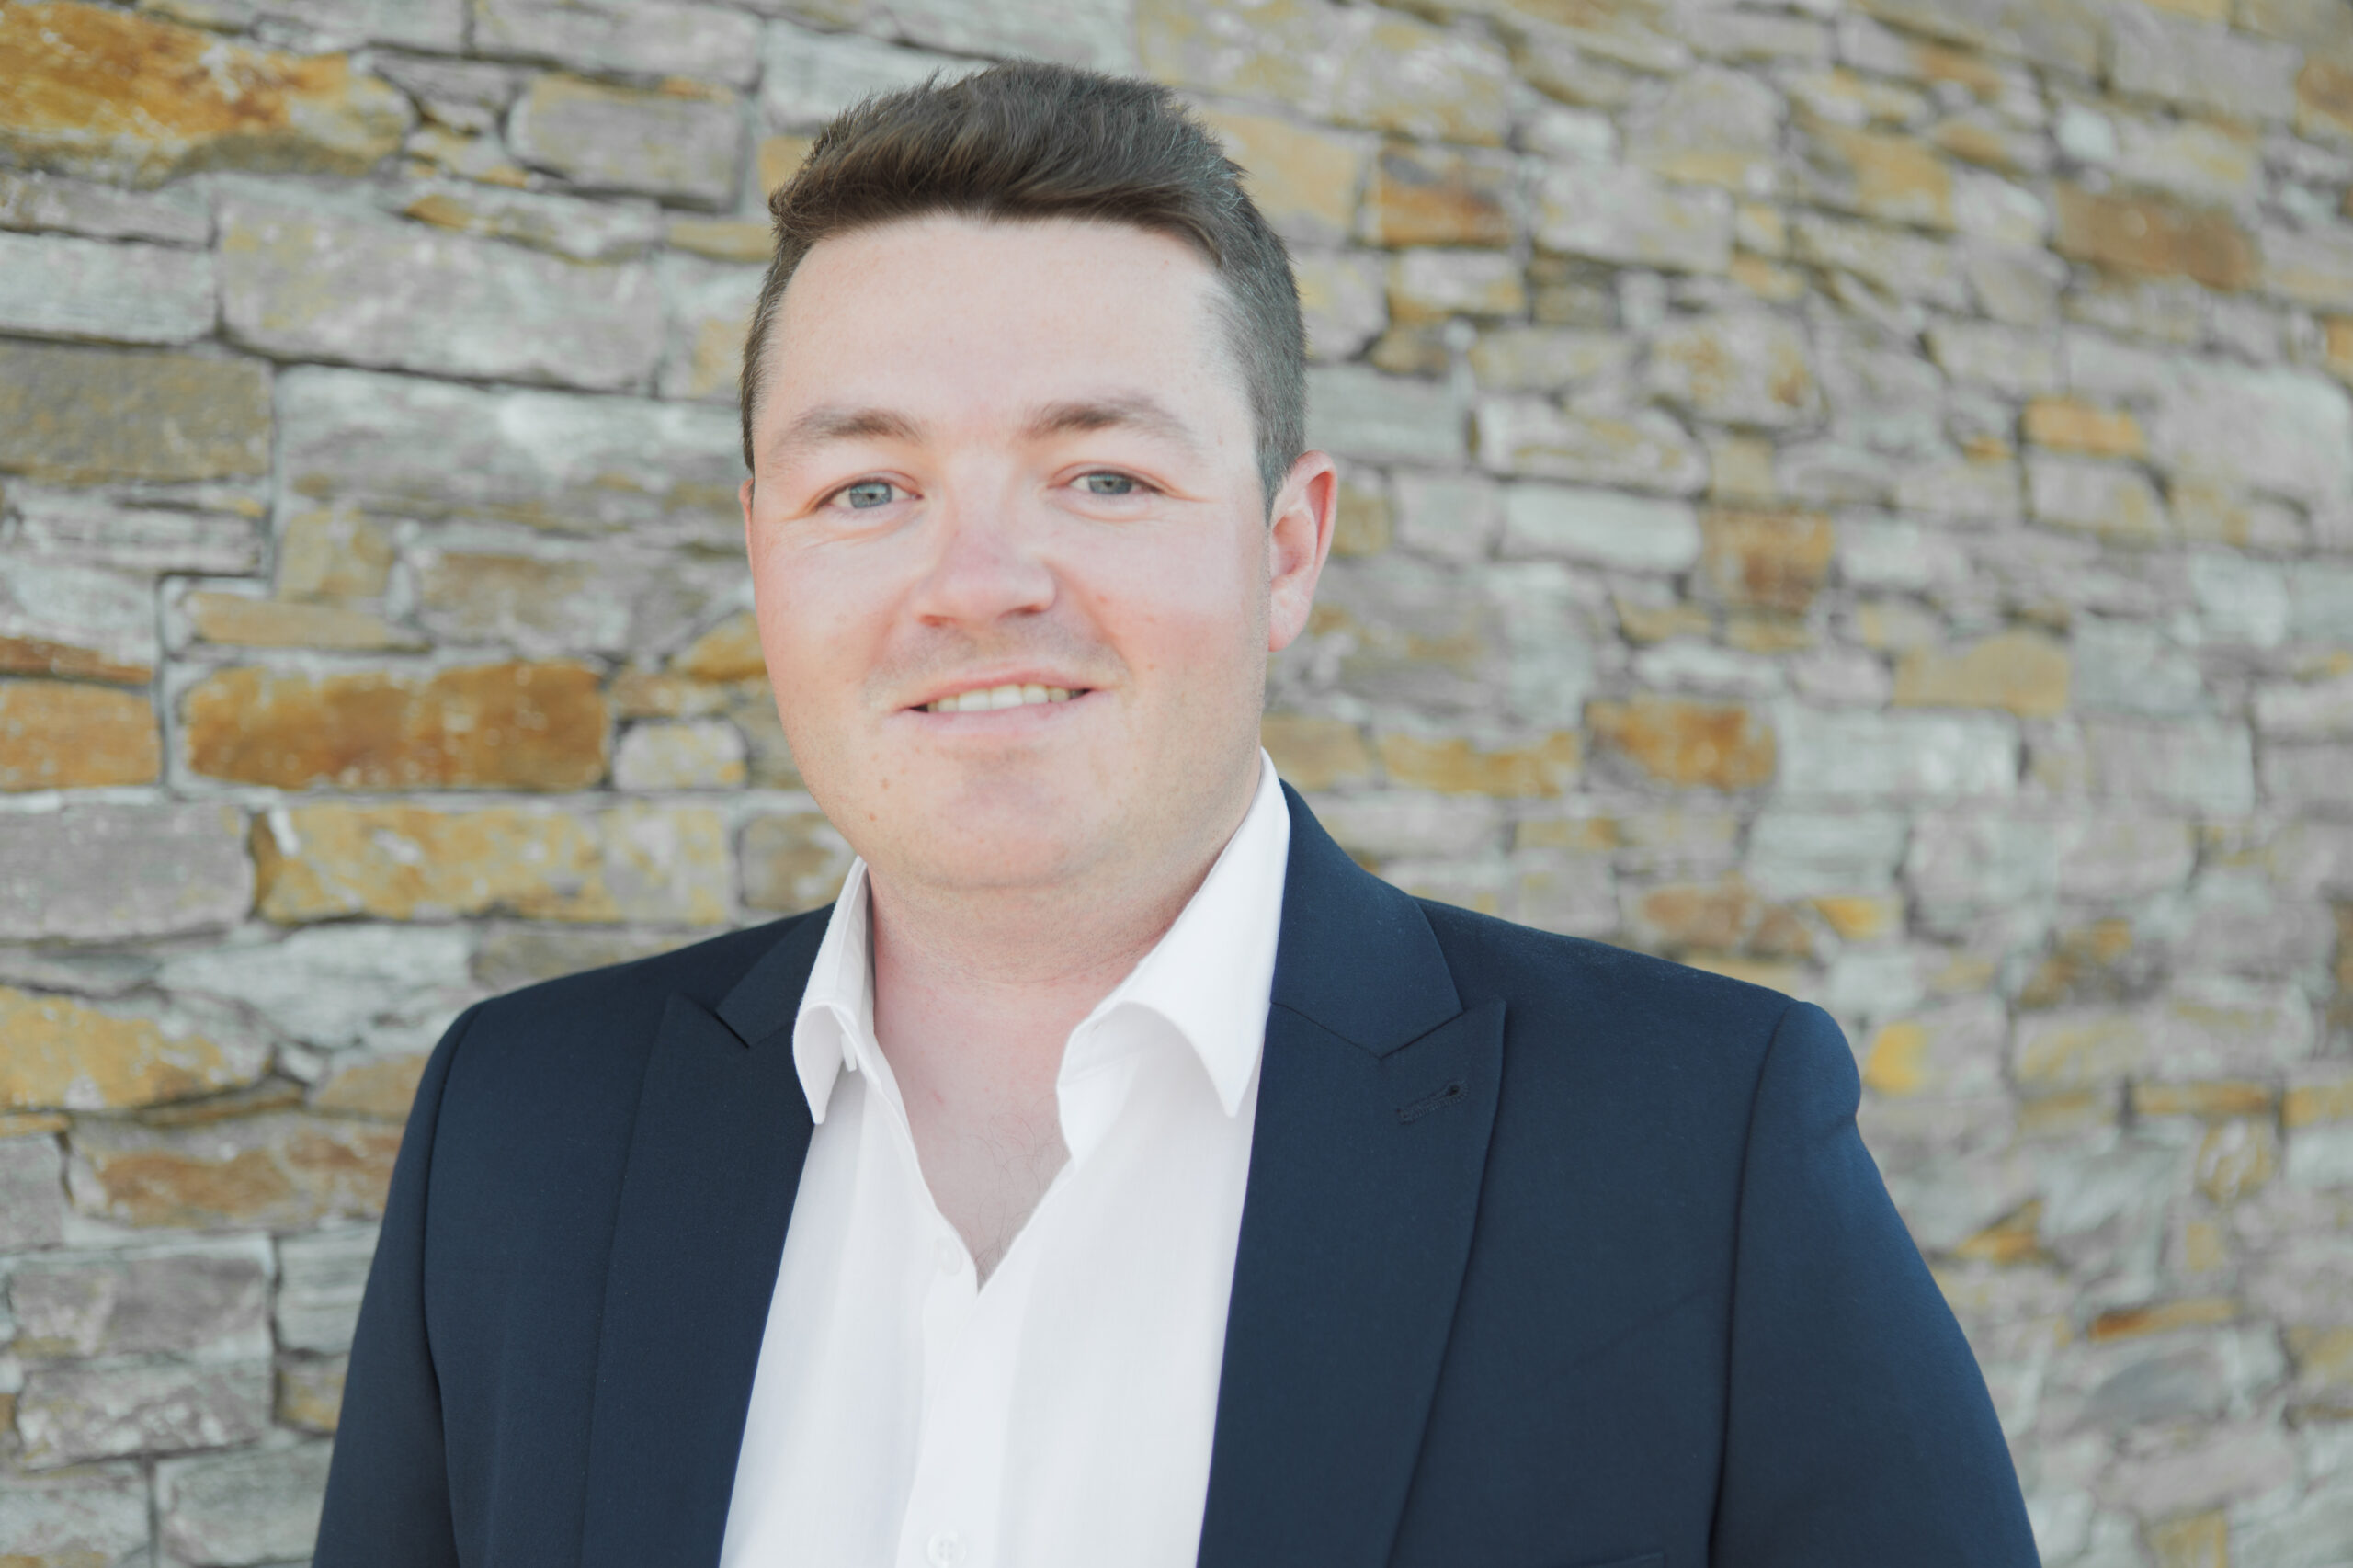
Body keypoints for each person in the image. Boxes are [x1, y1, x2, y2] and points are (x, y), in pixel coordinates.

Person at [314, 62, 2039, 1568]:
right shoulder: (517, 1131)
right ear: (763, 548)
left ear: (1286, 548)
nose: (977, 583)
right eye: (868, 486)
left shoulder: (1699, 1147)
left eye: (1104, 475)